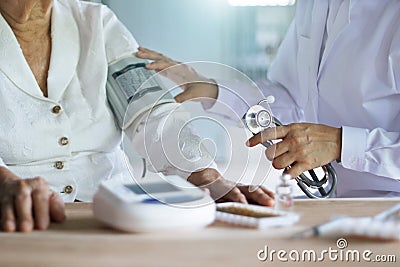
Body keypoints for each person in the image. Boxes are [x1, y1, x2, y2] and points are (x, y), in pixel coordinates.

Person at [0, 0, 275, 233]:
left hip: (110, 216)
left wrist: (202, 173)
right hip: (19, 221)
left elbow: (152, 111)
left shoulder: (96, 22)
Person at [136, 0, 400, 198]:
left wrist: (344, 144)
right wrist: (213, 89)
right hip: (339, 201)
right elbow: (291, 98)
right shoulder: (314, 6)